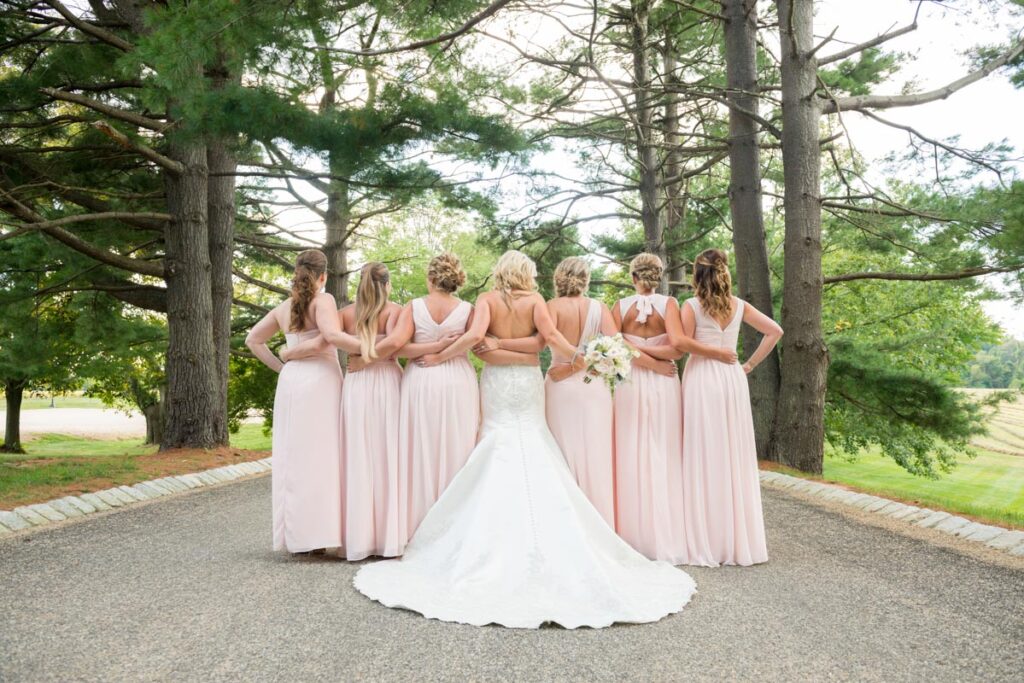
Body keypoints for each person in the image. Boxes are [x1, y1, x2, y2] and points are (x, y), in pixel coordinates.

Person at [353, 250, 697, 629]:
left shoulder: (486, 301)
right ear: (526, 274)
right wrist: (577, 356)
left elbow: (476, 338)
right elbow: (543, 341)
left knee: (495, 446)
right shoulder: (534, 301)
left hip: (499, 383)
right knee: (535, 449)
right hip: (527, 382)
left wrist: (455, 354)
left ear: (501, 272)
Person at [612, 253, 736, 562]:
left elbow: (614, 345)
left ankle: (630, 532)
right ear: (658, 276)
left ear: (632, 277)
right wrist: (655, 361)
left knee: (629, 449)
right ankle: (664, 532)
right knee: (665, 452)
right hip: (664, 380)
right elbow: (676, 351)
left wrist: (636, 351)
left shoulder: (618, 306)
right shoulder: (669, 305)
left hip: (629, 380)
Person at [244, 249, 359, 553]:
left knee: (293, 457)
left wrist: (284, 364)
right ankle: (319, 536)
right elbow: (329, 337)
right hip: (320, 381)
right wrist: (293, 355)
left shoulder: (284, 307)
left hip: (292, 383)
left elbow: (253, 340)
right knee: (322, 457)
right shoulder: (324, 300)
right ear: (323, 276)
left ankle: (298, 537)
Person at [679, 248, 783, 567]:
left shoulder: (691, 306)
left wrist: (713, 354)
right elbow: (774, 331)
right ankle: (737, 539)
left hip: (702, 376)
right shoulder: (739, 305)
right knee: (731, 452)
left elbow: (682, 344)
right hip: (732, 377)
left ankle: (705, 536)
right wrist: (748, 365)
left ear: (697, 275)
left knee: (702, 451)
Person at [387, 253, 480, 547]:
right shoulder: (469, 309)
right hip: (457, 381)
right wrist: (444, 348)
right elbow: (476, 345)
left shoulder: (413, 307)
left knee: (419, 449)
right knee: (459, 448)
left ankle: (418, 527)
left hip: (421, 378)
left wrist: (428, 348)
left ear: (430, 278)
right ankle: (456, 528)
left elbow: (397, 349)